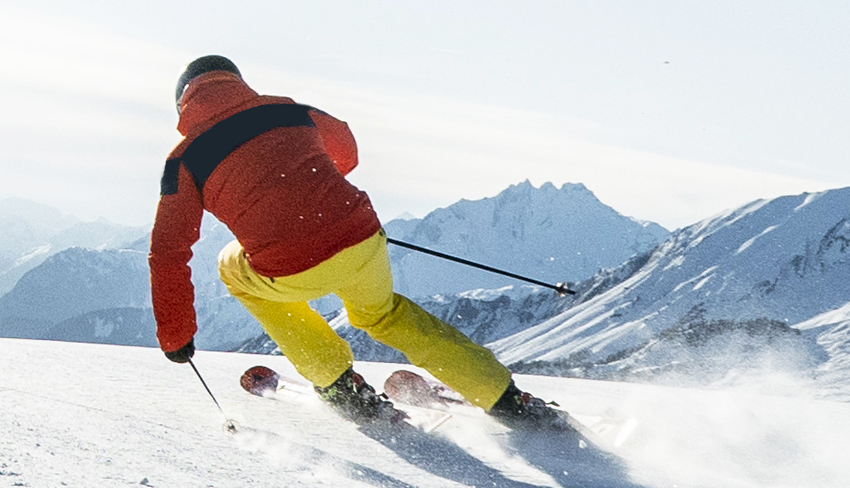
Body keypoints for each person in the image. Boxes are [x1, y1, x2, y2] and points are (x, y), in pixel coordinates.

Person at [150, 54, 574, 434]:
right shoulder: (290, 111)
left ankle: (337, 384)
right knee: (386, 315)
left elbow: (170, 252)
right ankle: (504, 397)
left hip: (287, 265)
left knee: (231, 266)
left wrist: (176, 335)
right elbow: (346, 149)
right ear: (238, 83)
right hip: (361, 238)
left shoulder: (183, 160)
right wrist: (307, 185)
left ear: (183, 104)